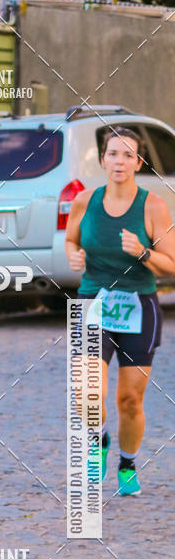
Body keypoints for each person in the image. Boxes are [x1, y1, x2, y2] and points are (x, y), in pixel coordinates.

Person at [65, 125, 175, 496]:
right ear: (102, 159)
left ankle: (127, 464)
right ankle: (97, 441)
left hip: (137, 307)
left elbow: (171, 263)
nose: (120, 161)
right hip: (93, 302)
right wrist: (74, 256)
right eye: (113, 153)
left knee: (130, 400)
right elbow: (70, 239)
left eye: (128, 154)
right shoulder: (86, 201)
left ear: (138, 162)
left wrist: (143, 253)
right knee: (86, 391)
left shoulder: (153, 206)